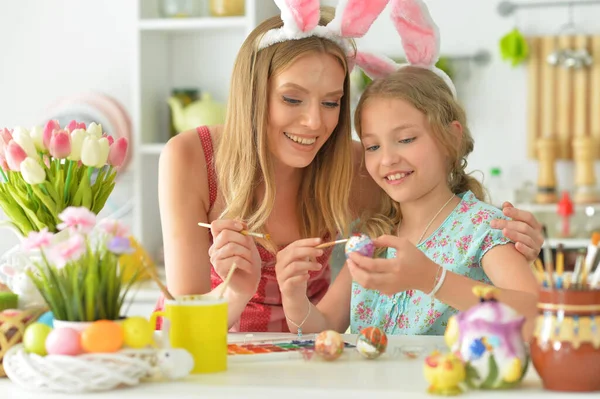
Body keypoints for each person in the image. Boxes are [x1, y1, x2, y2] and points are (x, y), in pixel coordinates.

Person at [156, 0, 544, 332]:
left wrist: (520, 237)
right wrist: (236, 290)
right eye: (292, 99)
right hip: (206, 351)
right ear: (253, 94)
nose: (314, 123)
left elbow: (443, 212)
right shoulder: (191, 158)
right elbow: (184, 324)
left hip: (306, 370)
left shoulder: (360, 166)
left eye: (331, 102)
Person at [276, 0, 539, 339]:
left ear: (450, 137)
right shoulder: (372, 237)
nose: (387, 159)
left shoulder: (483, 228)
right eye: (372, 146)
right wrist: (294, 297)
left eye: (406, 139)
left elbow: (537, 315)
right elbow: (323, 327)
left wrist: (432, 278)